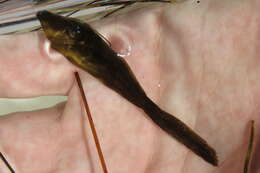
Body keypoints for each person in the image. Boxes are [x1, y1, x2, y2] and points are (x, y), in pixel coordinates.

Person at [0, 0, 258, 172]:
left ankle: (204, 151)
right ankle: (204, 150)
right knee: (149, 106)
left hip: (108, 65)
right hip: (104, 63)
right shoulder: (69, 36)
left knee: (149, 107)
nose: (45, 22)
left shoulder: (69, 36)